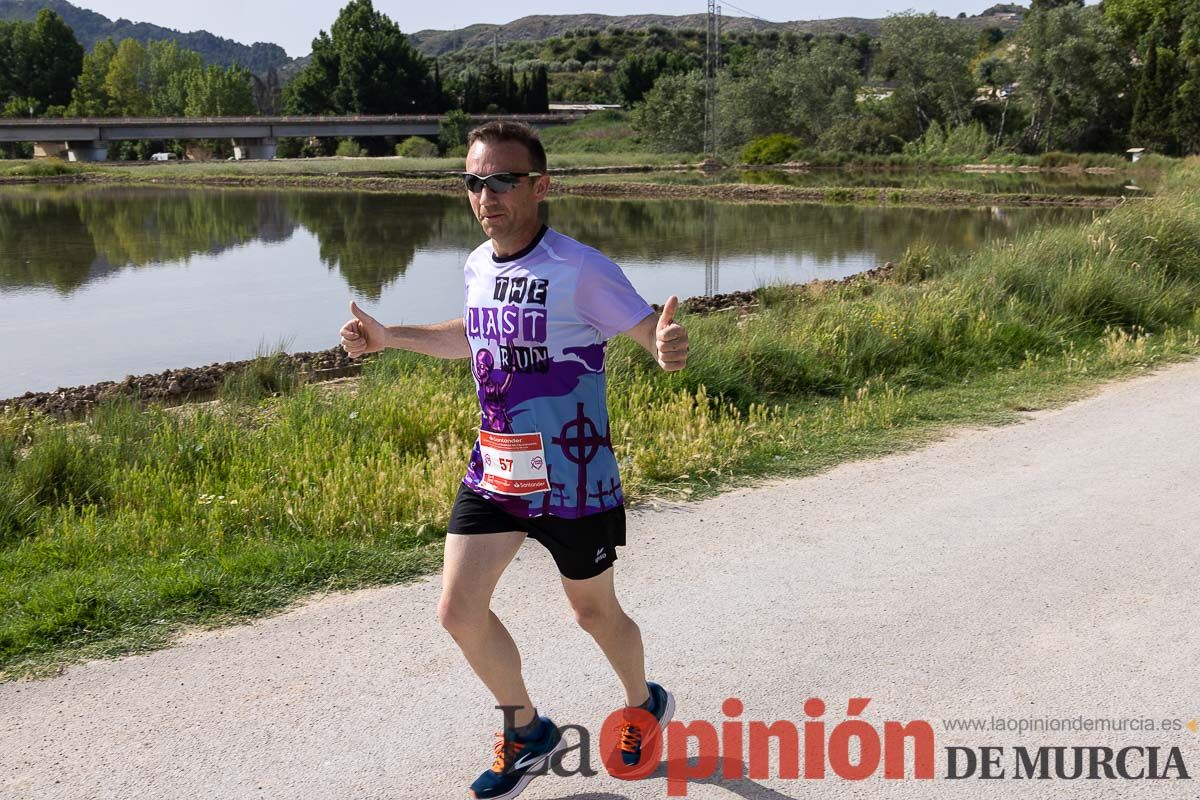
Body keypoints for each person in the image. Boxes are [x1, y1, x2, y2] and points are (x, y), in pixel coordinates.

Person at [339, 120, 689, 800]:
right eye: (474, 181)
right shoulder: (477, 264)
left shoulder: (579, 269)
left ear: (540, 185)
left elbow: (649, 330)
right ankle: (527, 731)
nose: (486, 195)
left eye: (502, 179)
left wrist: (664, 345)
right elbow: (471, 335)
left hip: (574, 479)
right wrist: (390, 337)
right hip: (498, 469)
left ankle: (644, 703)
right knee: (457, 611)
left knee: (593, 615)